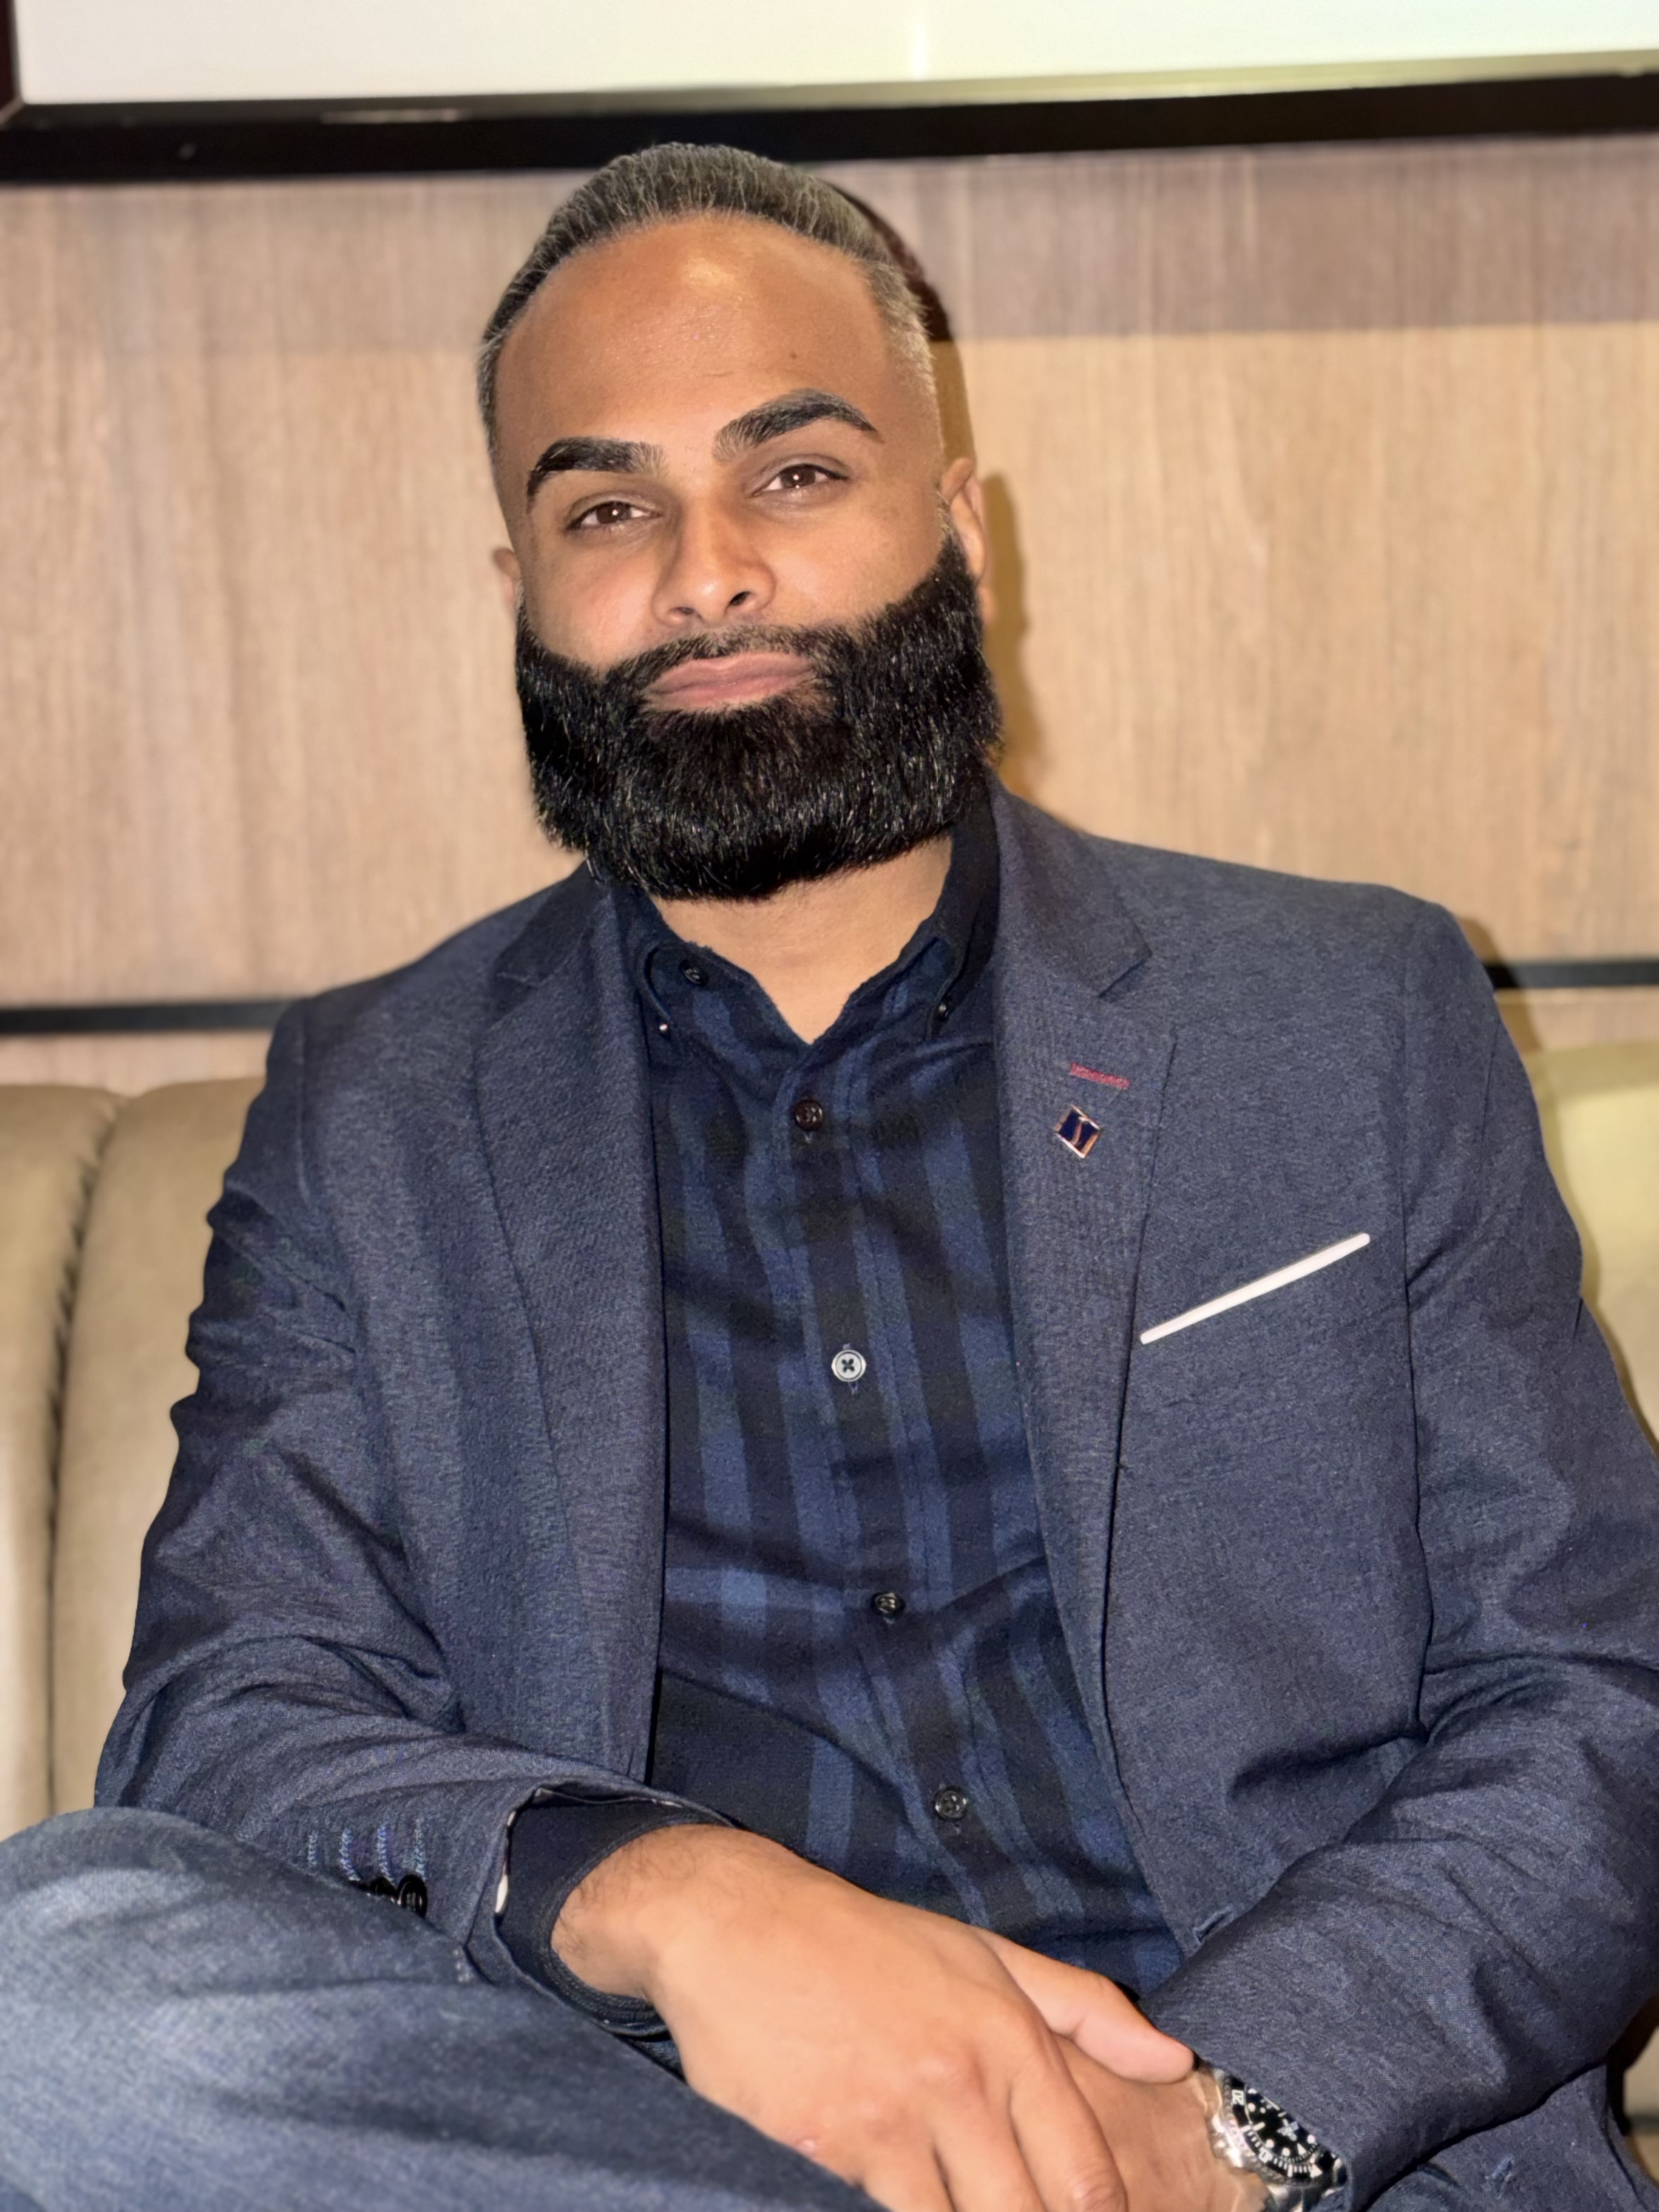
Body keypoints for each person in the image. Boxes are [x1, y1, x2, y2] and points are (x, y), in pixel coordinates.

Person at [1, 142, 1655, 2212]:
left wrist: (1210, 2124)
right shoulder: (380, 1106)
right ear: (519, 588)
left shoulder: (1342, 1013)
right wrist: (675, 1899)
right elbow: (232, 1727)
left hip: (1296, 2156)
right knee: (44, 1983)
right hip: (672, 2137)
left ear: (961, 529)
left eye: (794, 474)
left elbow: (1591, 1694)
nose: (704, 571)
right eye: (607, 505)